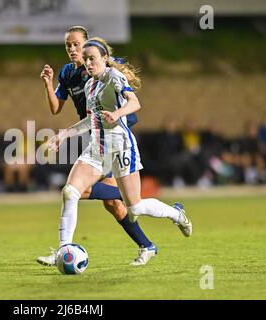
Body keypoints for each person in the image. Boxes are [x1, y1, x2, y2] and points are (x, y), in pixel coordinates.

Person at [41, 37, 193, 266]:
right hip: (97, 149)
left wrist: (118, 113)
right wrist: (63, 134)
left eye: (92, 59)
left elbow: (134, 103)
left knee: (135, 207)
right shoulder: (90, 85)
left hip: (121, 146)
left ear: (104, 58)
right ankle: (64, 251)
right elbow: (89, 120)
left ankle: (176, 214)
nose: (88, 63)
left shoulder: (114, 77)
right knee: (70, 192)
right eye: (86, 60)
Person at [38, 26, 154, 267]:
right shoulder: (68, 73)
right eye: (67, 45)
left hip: (116, 137)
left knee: (78, 192)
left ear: (87, 44)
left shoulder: (101, 65)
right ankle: (146, 244)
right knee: (110, 202)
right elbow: (55, 108)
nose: (72, 49)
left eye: (76, 44)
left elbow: (125, 85)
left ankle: (64, 248)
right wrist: (48, 84)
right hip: (95, 136)